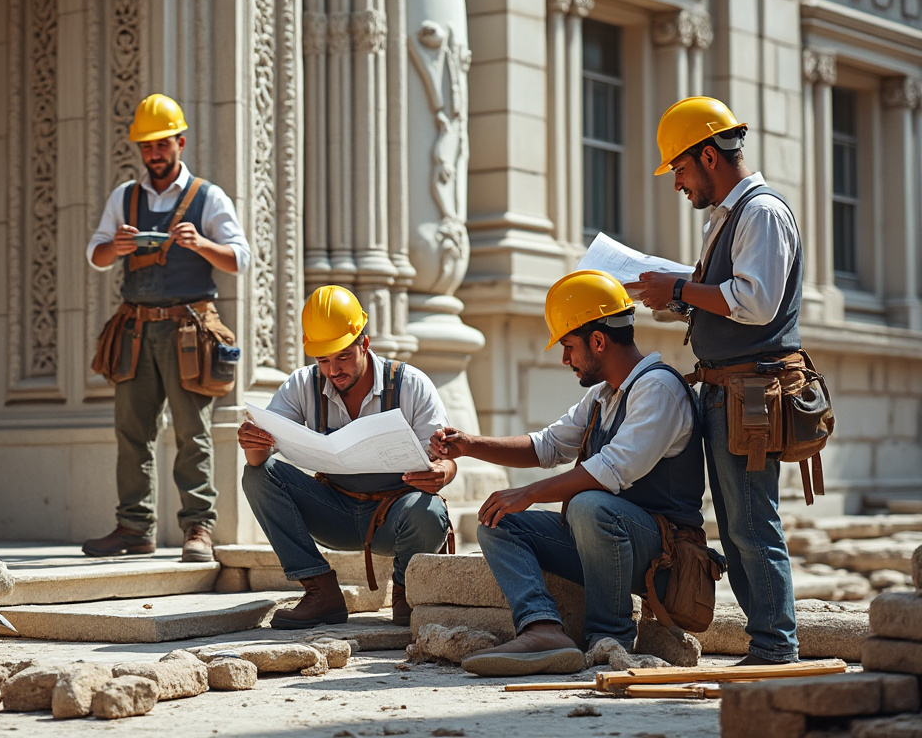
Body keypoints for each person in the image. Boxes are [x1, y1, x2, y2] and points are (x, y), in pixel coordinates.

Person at [432, 270, 705, 677]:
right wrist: (470, 445)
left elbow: (613, 470)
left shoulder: (658, 389)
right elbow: (546, 446)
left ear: (598, 340)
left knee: (590, 504)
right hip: (605, 545)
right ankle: (543, 629)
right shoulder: (603, 396)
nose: (564, 360)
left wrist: (528, 493)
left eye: (569, 346)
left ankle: (608, 637)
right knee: (498, 522)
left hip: (661, 559)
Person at [626, 96, 802, 666]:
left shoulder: (762, 213)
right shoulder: (728, 216)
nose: (677, 183)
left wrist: (679, 290)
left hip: (750, 391)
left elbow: (755, 302)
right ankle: (767, 641)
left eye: (679, 169)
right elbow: (727, 299)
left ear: (707, 155)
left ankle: (776, 645)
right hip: (727, 388)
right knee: (735, 523)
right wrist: (671, 293)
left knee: (752, 522)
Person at [84, 93, 250, 563]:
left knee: (191, 431)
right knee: (131, 431)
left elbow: (239, 259)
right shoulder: (125, 197)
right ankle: (134, 528)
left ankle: (199, 528)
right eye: (147, 146)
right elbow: (95, 256)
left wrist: (201, 246)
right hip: (135, 328)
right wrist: (114, 248)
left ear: (180, 141)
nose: (154, 153)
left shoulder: (208, 196)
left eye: (162, 144)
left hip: (188, 331)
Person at [237, 285, 454, 629]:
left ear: (364, 344)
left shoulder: (410, 384)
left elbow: (447, 457)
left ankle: (407, 593)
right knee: (258, 475)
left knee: (431, 509)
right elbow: (260, 458)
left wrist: (442, 471)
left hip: (394, 517)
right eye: (323, 360)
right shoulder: (302, 385)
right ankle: (320, 590)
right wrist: (253, 442)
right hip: (333, 512)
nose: (333, 370)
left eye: (342, 357)